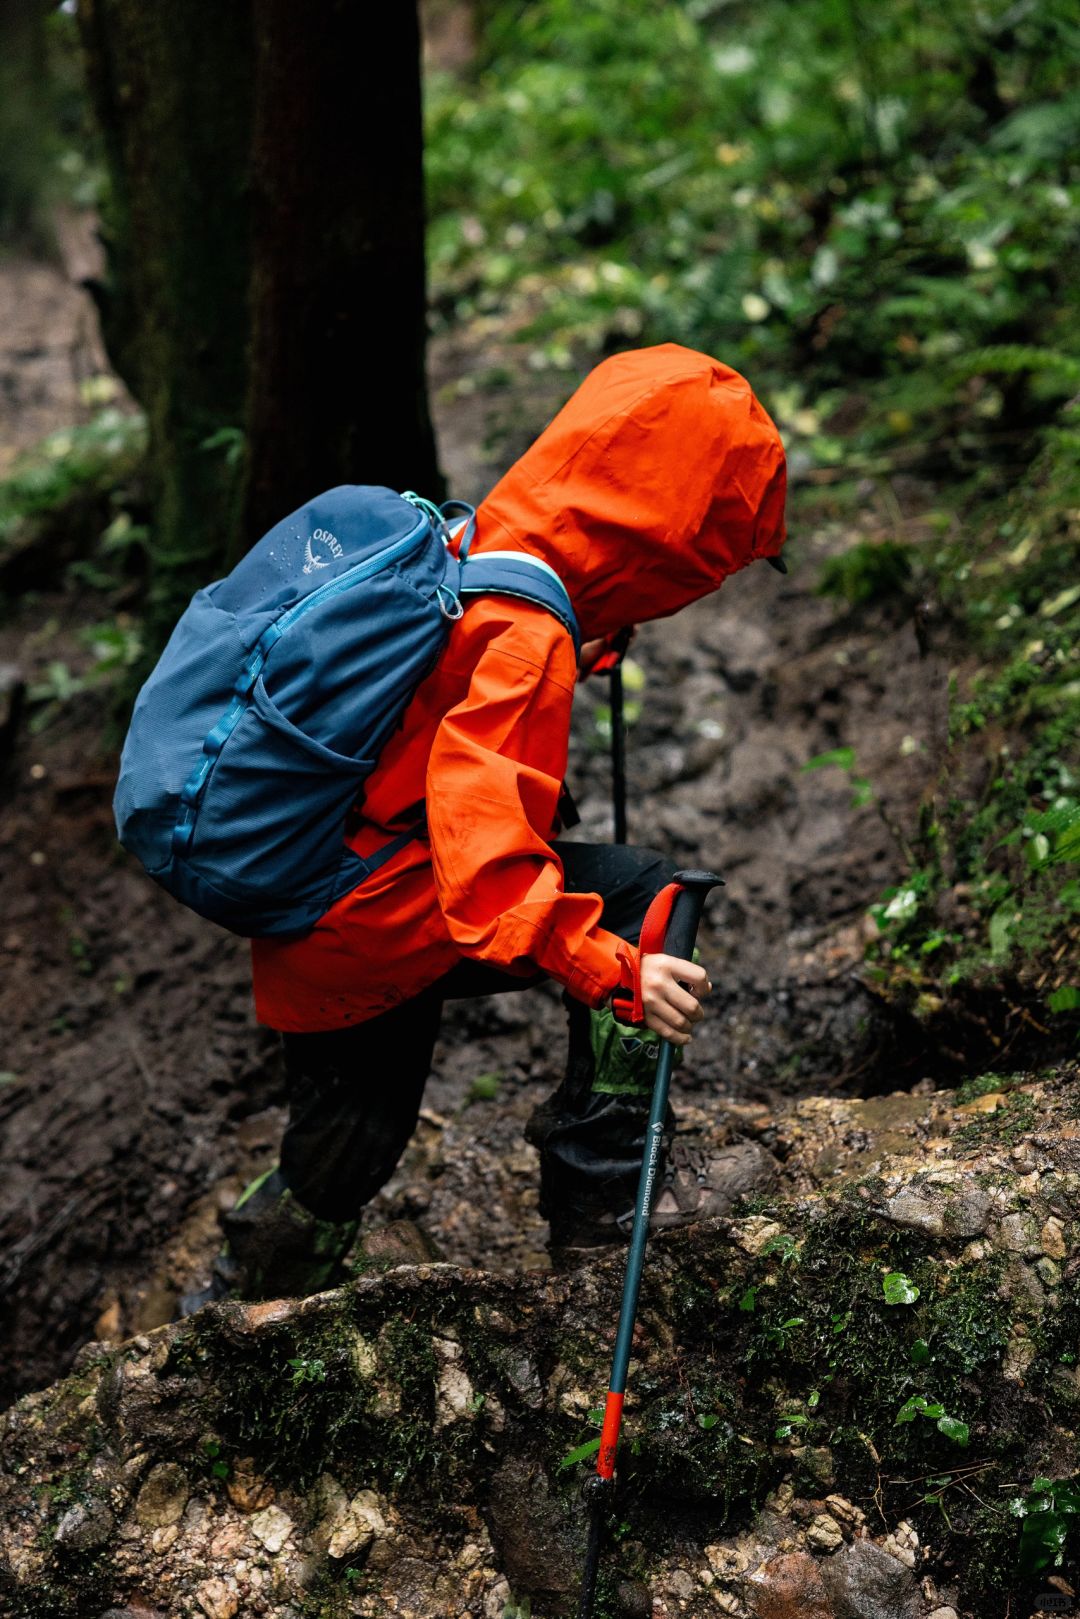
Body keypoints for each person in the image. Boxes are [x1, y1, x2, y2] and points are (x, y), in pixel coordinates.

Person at [182, 343, 787, 1311]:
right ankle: (604, 1205)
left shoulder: (475, 549)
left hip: (320, 895)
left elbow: (433, 710)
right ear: (677, 529)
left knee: (346, 1145)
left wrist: (577, 641)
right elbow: (485, 867)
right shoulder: (526, 634)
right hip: (386, 914)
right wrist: (613, 969)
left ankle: (229, 1306)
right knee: (643, 897)